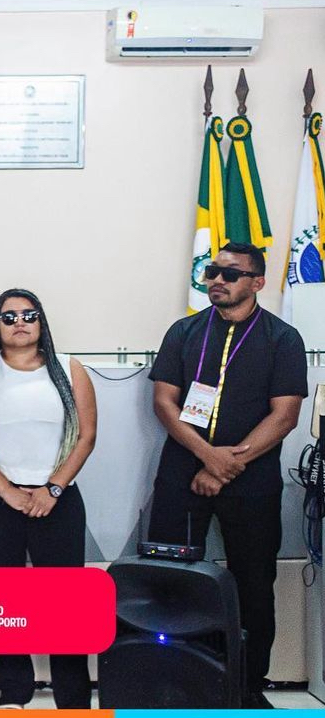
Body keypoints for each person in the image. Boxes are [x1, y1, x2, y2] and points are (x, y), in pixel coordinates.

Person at [148, 242, 307, 710]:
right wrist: (206, 457)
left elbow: (285, 416)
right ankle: (174, 684)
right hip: (182, 472)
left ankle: (247, 686)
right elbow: (164, 403)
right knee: (171, 579)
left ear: (257, 282)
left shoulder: (283, 338)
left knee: (253, 585)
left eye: (231, 274)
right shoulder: (184, 331)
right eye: (212, 271)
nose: (217, 280)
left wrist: (225, 465)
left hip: (252, 479)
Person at [0, 288, 97, 709]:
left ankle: (73, 697)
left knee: (65, 605)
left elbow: (86, 437)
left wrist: (53, 489)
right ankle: (15, 691)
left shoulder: (70, 369)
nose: (20, 323)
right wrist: (7, 491)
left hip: (58, 500)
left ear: (41, 322)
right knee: (4, 600)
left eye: (29, 315)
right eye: (9, 316)